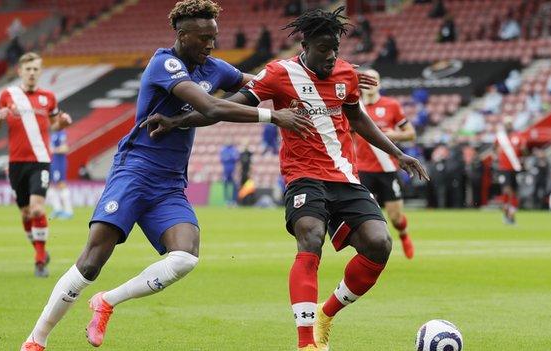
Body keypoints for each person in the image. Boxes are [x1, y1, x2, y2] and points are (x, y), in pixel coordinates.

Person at [18, 1, 311, 350]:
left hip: (170, 184)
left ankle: (107, 301)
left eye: (214, 37)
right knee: (93, 260)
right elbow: (211, 108)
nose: (211, 45)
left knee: (185, 256)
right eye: (204, 38)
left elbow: (263, 84)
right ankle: (36, 341)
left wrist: (312, 79)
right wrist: (273, 117)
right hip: (134, 171)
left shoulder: (214, 68)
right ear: (182, 35)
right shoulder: (164, 63)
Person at [146, 7, 428, 351]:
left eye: (335, 49)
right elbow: (227, 105)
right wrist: (179, 121)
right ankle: (306, 342)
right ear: (305, 44)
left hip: (345, 177)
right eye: (324, 48)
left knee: (379, 244)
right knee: (311, 237)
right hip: (303, 177)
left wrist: (397, 152)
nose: (331, 55)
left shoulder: (345, 75)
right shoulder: (279, 74)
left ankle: (327, 312)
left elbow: (358, 119)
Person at [0, 52, 72, 279]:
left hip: (40, 161)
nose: (32, 73)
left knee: (37, 209)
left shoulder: (49, 97)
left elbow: (55, 125)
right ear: (20, 72)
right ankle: (40, 251)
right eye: (28, 69)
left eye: (36, 69)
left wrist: (62, 123)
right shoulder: (9, 95)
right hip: (16, 163)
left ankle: (39, 261)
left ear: (40, 71)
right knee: (26, 214)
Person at [354, 69, 418, 259]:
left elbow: (411, 133)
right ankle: (369, 251)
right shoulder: (353, 106)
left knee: (396, 218)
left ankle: (404, 234)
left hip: (388, 169)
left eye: (375, 79)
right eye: (368, 80)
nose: (372, 83)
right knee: (365, 217)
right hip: (363, 170)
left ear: (380, 83)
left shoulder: (391, 105)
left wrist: (391, 135)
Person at [494, 118, 526, 224]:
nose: (508, 126)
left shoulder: (518, 137)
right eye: (506, 124)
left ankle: (510, 215)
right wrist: (498, 156)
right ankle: (507, 213)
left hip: (515, 168)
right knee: (506, 190)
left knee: (514, 193)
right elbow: (495, 149)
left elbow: (524, 150)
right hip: (503, 169)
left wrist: (522, 153)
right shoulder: (500, 137)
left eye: (509, 124)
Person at [49, 129, 73, 219]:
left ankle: (68, 211)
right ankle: (57, 209)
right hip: (53, 162)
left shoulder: (61, 134)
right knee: (51, 185)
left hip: (59, 163)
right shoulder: (53, 133)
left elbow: (65, 148)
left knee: (61, 184)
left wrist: (53, 149)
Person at [220, 141, 240, 206]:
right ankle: (227, 201)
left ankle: (233, 200)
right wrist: (230, 158)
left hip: (233, 170)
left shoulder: (234, 149)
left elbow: (236, 158)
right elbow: (222, 159)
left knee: (234, 186)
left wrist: (228, 158)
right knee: (226, 186)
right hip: (226, 171)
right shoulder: (223, 149)